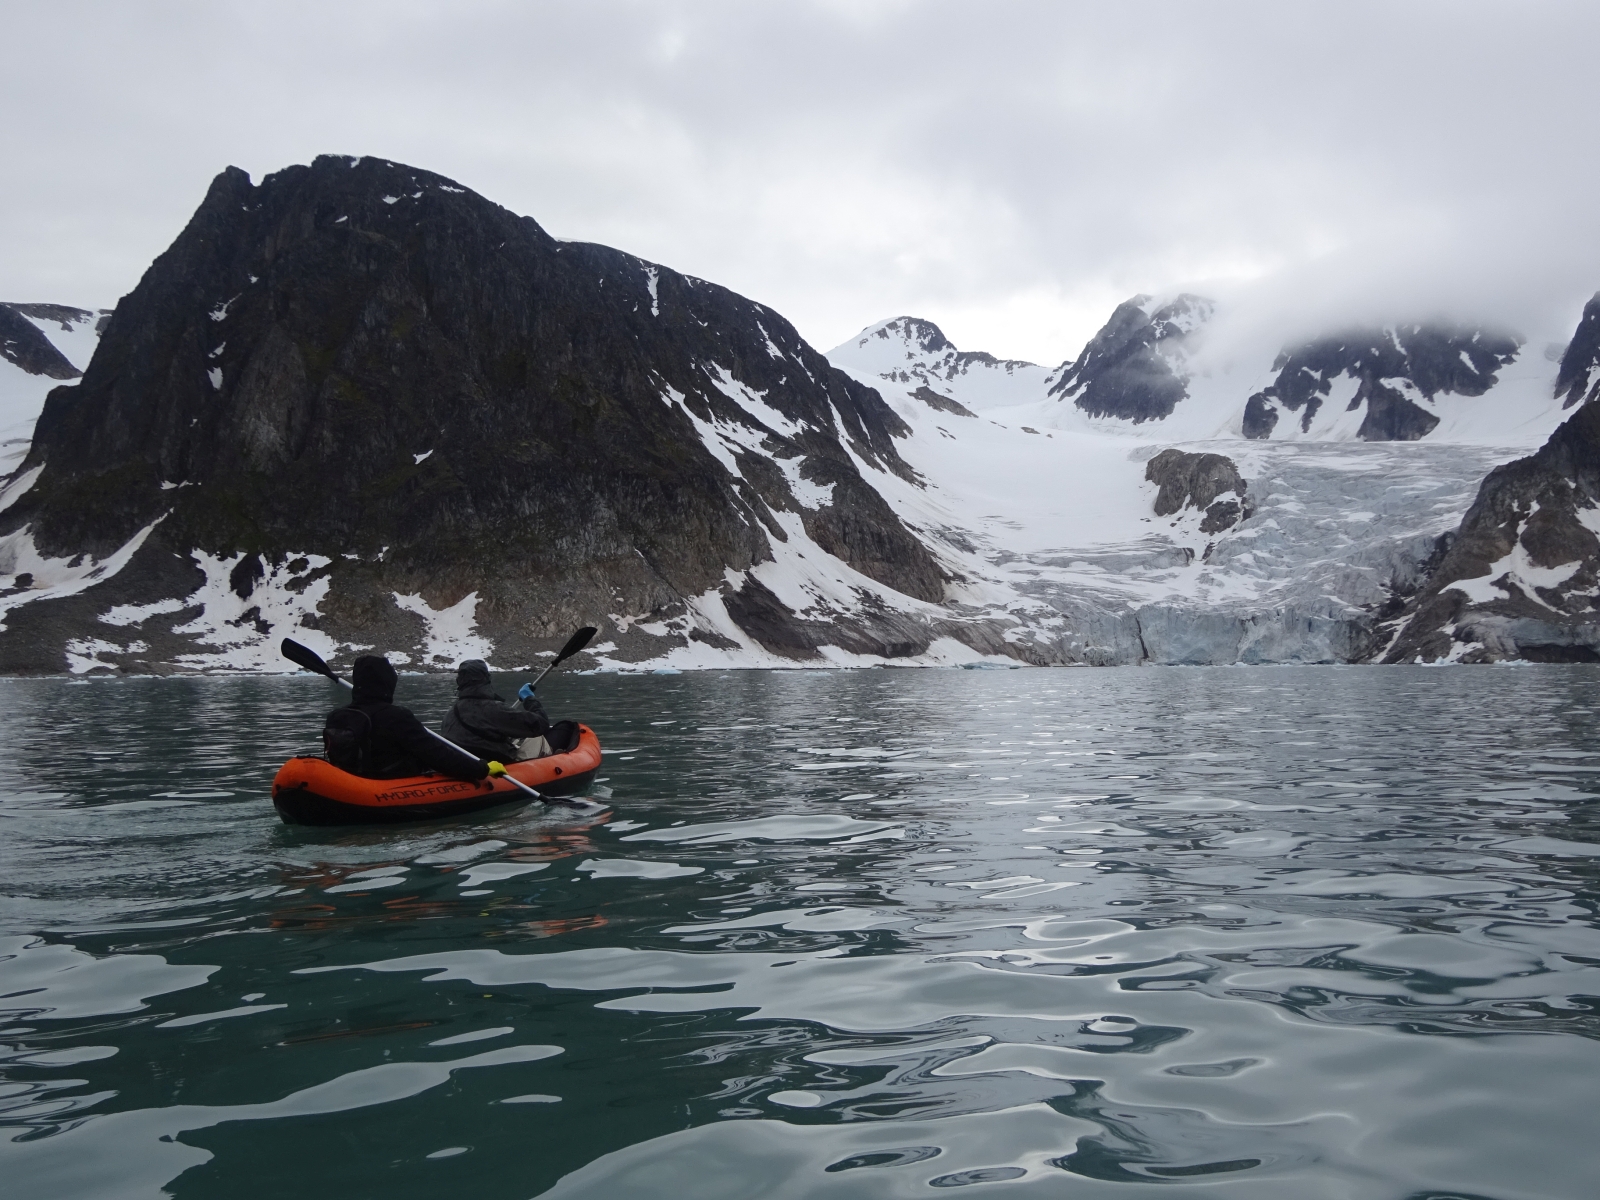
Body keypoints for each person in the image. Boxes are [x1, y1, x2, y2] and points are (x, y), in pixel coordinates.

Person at [323, 655, 504, 780]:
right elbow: (437, 755)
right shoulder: (396, 717)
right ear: (387, 683)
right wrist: (482, 768)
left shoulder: (337, 717)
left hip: (352, 783)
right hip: (391, 786)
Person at [441, 659, 554, 762]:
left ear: (459, 681)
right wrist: (529, 699)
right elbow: (541, 724)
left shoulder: (450, 714)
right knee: (538, 738)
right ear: (487, 679)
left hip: (465, 766)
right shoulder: (494, 709)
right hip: (497, 767)